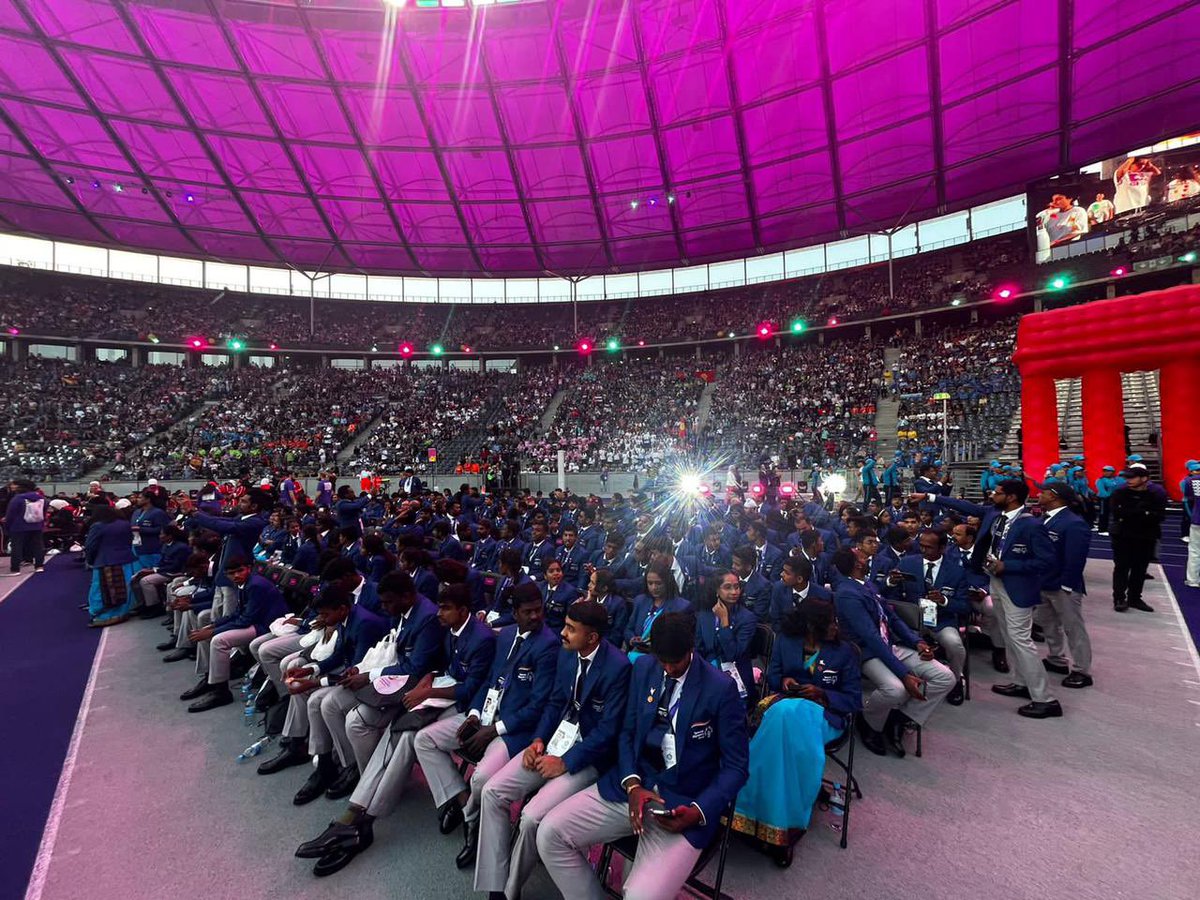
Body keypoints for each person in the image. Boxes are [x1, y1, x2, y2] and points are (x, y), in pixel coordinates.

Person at [536, 611, 750, 900]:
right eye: (663, 661)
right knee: (550, 834)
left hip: (682, 804)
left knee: (640, 896)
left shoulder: (721, 689)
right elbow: (627, 732)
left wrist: (699, 810)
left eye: (676, 662)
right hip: (631, 789)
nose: (669, 669)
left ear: (692, 648)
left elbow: (736, 767)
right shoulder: (645, 668)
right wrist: (633, 784)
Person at [294, 584, 494, 875]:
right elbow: (444, 667)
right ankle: (358, 817)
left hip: (465, 705)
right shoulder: (453, 630)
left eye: (445, 608)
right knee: (398, 731)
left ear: (463, 611)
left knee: (409, 734)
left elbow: (471, 687)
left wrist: (425, 693)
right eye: (439, 607)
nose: (439, 613)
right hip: (440, 692)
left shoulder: (481, 638)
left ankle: (361, 820)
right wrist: (428, 680)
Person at [474, 600, 630, 900]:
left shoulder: (618, 667)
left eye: (571, 629)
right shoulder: (568, 654)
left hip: (587, 756)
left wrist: (565, 762)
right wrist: (537, 740)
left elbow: (608, 732)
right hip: (554, 741)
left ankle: (510, 889)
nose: (562, 633)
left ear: (592, 637)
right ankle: (494, 878)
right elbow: (555, 704)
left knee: (532, 816)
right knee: (492, 791)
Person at [413, 583, 560, 870]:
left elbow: (539, 705)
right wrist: (475, 714)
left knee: (482, 779)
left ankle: (470, 819)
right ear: (514, 613)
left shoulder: (548, 645)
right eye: (527, 612)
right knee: (423, 740)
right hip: (485, 716)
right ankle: (464, 803)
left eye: (538, 610)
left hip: (514, 730)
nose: (535, 617)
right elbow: (490, 681)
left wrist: (494, 729)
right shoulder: (505, 636)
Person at [916, 479, 1061, 719]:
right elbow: (963, 505)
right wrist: (929, 497)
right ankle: (1020, 681)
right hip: (996, 581)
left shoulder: (1031, 525)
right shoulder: (995, 513)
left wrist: (1009, 565)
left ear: (1012, 497)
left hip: (1017, 586)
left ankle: (1045, 698)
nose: (992, 494)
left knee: (1021, 640)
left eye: (998, 492)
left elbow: (1047, 561)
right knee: (1009, 636)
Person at [732, 598, 861, 864]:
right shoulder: (786, 641)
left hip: (825, 716)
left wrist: (822, 693)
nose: (835, 626)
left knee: (785, 718)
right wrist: (784, 681)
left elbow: (853, 700)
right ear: (811, 625)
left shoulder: (844, 652)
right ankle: (767, 816)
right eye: (829, 622)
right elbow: (774, 676)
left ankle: (771, 819)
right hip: (785, 708)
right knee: (784, 717)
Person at [832, 546, 955, 756]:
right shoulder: (846, 593)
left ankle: (898, 719)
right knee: (896, 689)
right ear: (857, 564)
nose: (866, 554)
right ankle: (869, 721)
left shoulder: (867, 584)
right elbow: (871, 637)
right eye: (861, 554)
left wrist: (917, 642)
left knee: (945, 677)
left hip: (890, 645)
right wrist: (904, 674)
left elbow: (892, 618)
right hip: (867, 652)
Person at [260, 584, 389, 776]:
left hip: (367, 679)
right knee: (299, 682)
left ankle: (346, 764)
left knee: (321, 701)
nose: (322, 619)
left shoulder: (364, 624)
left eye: (325, 615)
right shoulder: (346, 618)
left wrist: (315, 682)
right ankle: (301, 747)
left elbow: (356, 671)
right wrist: (310, 670)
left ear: (342, 609)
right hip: (351, 670)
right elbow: (339, 655)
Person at [178, 556, 287, 712]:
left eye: (240, 571)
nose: (236, 575)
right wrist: (212, 626)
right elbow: (237, 613)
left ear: (249, 568)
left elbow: (245, 620)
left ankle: (221, 691)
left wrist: (213, 631)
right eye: (231, 573)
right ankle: (210, 678)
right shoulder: (243, 583)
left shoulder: (255, 585)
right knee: (206, 629)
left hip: (267, 625)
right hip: (255, 622)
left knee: (218, 640)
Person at [884, 529, 971, 705]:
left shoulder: (956, 571)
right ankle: (905, 680)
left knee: (954, 643)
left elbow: (965, 606)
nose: (923, 550)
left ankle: (954, 681)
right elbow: (888, 594)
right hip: (910, 621)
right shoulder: (907, 563)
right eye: (921, 546)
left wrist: (945, 600)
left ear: (942, 548)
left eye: (929, 547)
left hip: (942, 621)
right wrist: (890, 581)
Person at [1034, 483, 1094, 689]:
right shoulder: (1045, 518)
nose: (1038, 494)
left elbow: (1076, 558)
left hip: (1062, 586)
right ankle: (1056, 658)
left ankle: (1082, 670)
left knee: (1073, 627)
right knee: (1048, 623)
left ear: (1054, 497)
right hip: (1044, 582)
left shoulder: (1073, 523)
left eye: (1043, 492)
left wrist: (1067, 585)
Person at [694, 571, 758, 706]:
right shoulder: (705, 615)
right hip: (708, 670)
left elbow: (732, 654)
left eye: (737, 586)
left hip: (736, 674)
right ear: (717, 590)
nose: (734, 591)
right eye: (728, 587)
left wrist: (724, 621)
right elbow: (698, 649)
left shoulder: (747, 618)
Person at [1109, 463, 1167, 613]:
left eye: (1132, 477)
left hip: (1146, 537)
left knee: (1140, 569)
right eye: (1127, 477)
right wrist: (1142, 513)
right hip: (1123, 536)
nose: (1128, 480)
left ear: (1144, 478)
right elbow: (1117, 513)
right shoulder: (1119, 493)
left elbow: (1159, 516)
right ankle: (1119, 598)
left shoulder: (1155, 494)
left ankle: (1135, 598)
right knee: (1122, 568)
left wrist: (1135, 514)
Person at [624, 561, 691, 658]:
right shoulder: (640, 601)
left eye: (658, 583)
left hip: (663, 659)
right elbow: (628, 629)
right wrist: (632, 639)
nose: (654, 588)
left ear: (667, 582)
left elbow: (682, 642)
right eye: (650, 583)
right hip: (636, 654)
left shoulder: (682, 607)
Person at [768, 555, 832, 631]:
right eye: (783, 571)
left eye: (786, 573)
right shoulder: (778, 589)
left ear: (799, 579)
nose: (781, 574)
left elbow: (822, 628)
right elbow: (775, 621)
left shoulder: (822, 596)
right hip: (785, 635)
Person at [4, 478, 46, 575]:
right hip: (36, 525)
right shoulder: (40, 497)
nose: (12, 486)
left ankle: (15, 569)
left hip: (18, 526)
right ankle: (39, 566)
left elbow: (10, 514)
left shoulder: (17, 498)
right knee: (38, 546)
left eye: (15, 485)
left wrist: (7, 525)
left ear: (20, 487)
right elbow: (43, 511)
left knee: (17, 547)